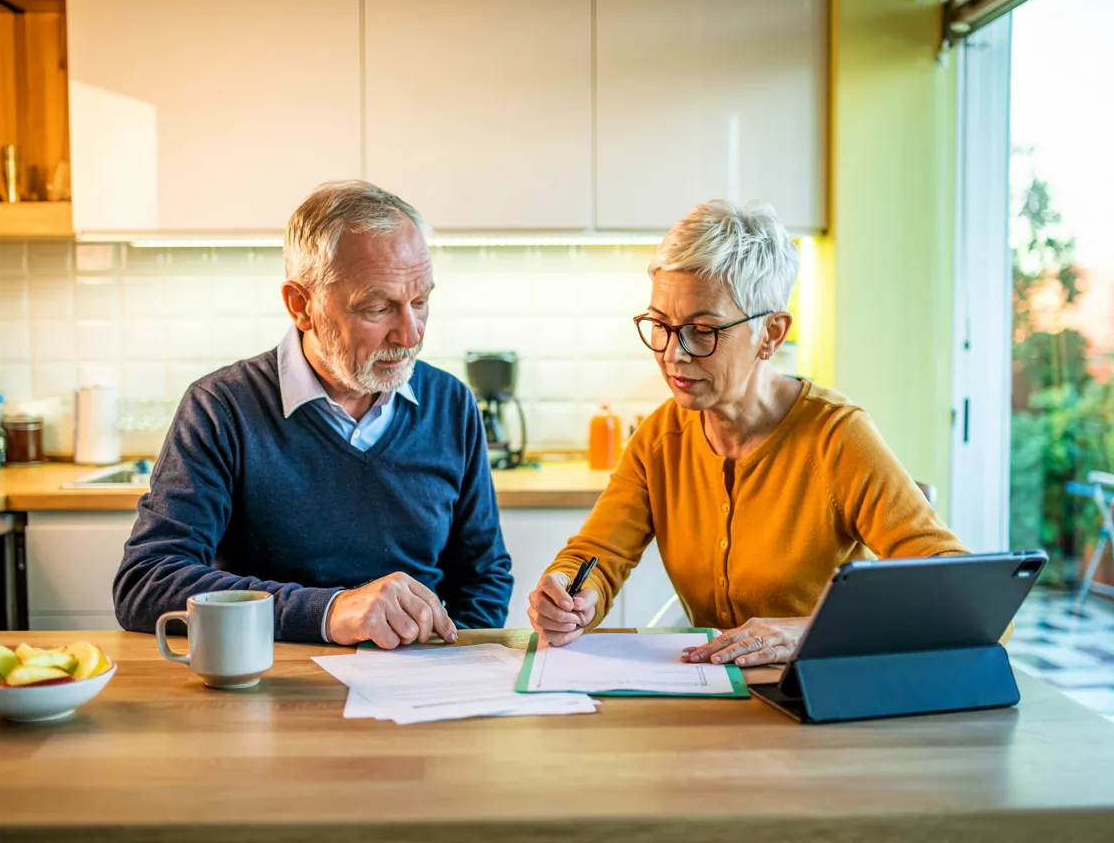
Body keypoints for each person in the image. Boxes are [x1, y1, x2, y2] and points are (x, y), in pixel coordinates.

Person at [527, 199, 968, 667]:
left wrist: (806, 633)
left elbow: (968, 605)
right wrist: (569, 597)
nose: (674, 354)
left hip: (818, 707)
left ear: (772, 334)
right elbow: (597, 554)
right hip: (719, 700)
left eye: (702, 330)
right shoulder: (660, 437)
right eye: (660, 325)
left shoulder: (836, 436)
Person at [115, 181, 513, 647]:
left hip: (415, 689)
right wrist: (328, 612)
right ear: (301, 305)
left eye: (421, 301)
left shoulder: (451, 404)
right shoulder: (221, 409)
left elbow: (483, 575)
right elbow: (146, 582)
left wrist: (449, 658)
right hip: (271, 686)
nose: (410, 335)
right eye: (378, 307)